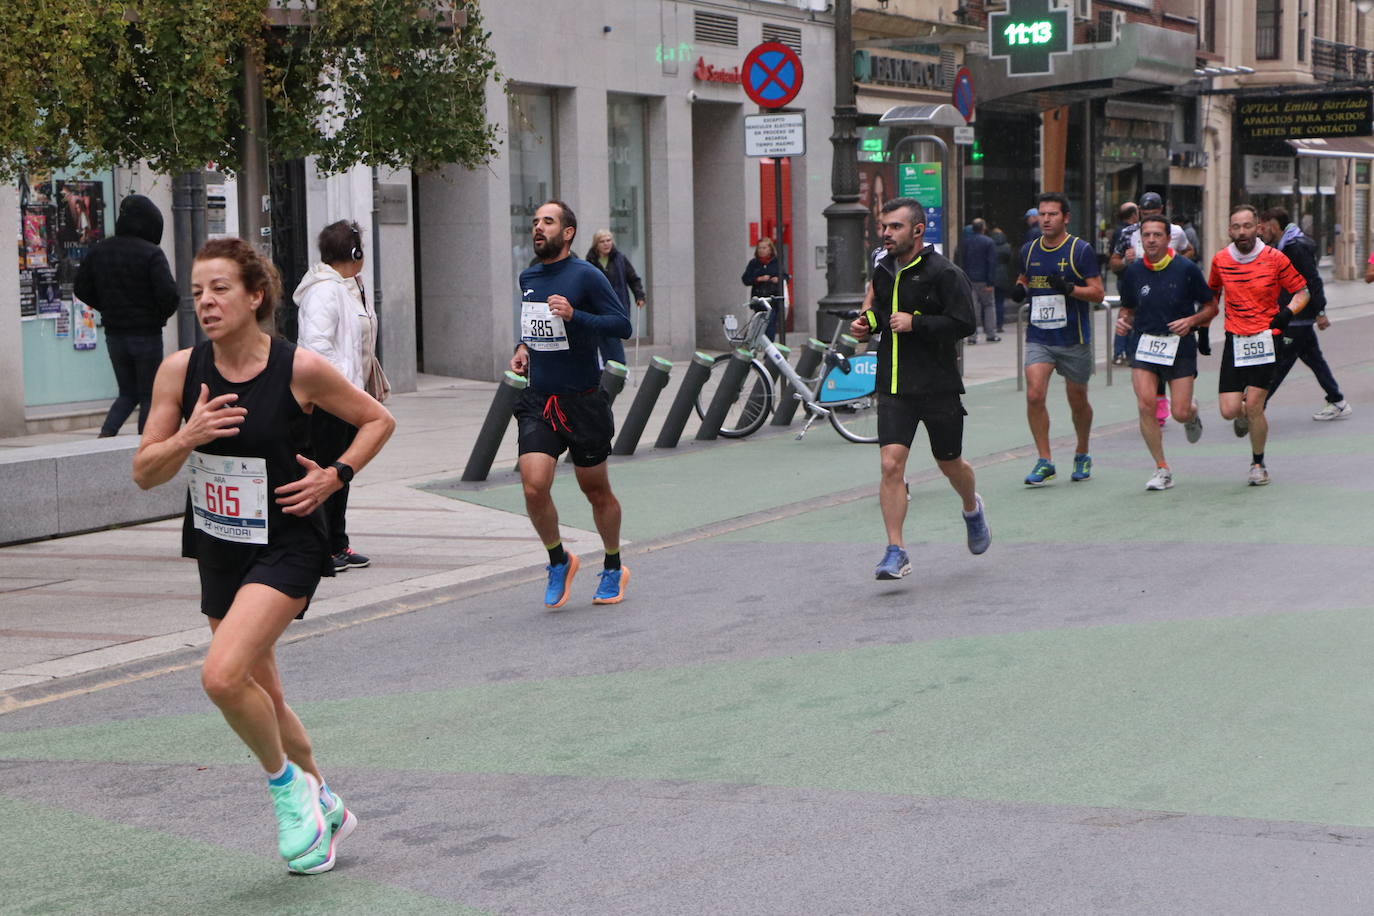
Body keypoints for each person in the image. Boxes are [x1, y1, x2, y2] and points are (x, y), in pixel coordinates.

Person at [131, 237, 395, 873]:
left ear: (255, 295)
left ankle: (287, 791)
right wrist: (188, 435)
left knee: (222, 676)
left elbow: (377, 420)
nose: (206, 302)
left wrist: (336, 475)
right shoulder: (180, 371)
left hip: (288, 542)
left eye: (220, 288)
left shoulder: (297, 368)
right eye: (197, 291)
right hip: (219, 543)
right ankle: (323, 798)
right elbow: (144, 472)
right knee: (263, 695)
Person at [848, 197, 989, 580]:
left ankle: (971, 508)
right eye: (884, 227)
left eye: (894, 227)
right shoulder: (883, 268)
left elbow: (964, 324)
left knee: (950, 463)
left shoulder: (945, 273)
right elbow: (880, 313)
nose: (886, 234)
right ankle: (896, 550)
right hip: (893, 384)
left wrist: (917, 323)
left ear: (917, 230)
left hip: (937, 385)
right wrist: (868, 324)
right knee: (891, 464)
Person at [511, 200, 634, 608]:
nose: (538, 228)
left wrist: (575, 314)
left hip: (583, 402)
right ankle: (558, 559)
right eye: (534, 222)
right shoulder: (528, 276)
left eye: (547, 221)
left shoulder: (587, 276)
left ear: (568, 233)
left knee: (595, 490)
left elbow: (621, 324)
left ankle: (614, 566)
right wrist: (523, 346)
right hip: (540, 400)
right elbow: (533, 323)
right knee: (533, 485)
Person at [294, 220, 387, 573]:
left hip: (346, 396)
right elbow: (317, 348)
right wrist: (341, 388)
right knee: (330, 470)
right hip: (330, 400)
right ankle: (323, 547)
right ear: (356, 253)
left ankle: (337, 543)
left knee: (342, 472)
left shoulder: (346, 287)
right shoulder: (324, 291)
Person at [1206, 204, 1310, 486]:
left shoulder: (1274, 258)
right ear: (1229, 230)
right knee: (1229, 410)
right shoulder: (1220, 261)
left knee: (1254, 404)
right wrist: (1202, 330)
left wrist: (1287, 313)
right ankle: (1243, 416)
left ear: (1258, 228)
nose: (1242, 232)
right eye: (1236, 227)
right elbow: (1211, 297)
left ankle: (1258, 464)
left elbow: (1302, 291)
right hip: (1235, 340)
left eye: (1247, 226)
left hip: (1266, 338)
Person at [1115, 216, 1218, 490]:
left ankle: (1192, 413)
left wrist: (1191, 321)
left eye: (1156, 235)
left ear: (1167, 238)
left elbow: (1211, 307)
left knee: (1180, 412)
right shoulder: (1133, 272)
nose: (1151, 240)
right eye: (1146, 235)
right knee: (1145, 404)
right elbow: (1127, 308)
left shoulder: (1186, 269)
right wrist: (1123, 321)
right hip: (1146, 344)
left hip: (1179, 346)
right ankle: (1162, 468)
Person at [1010, 192, 1105, 486]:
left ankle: (1082, 451)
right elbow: (1024, 278)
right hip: (1039, 335)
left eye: (1052, 214)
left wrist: (1070, 289)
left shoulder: (1080, 250)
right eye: (1042, 214)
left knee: (1077, 401)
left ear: (1065, 217)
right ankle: (1045, 460)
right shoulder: (1028, 250)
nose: (1046, 219)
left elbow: (1098, 293)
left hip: (1072, 337)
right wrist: (1019, 288)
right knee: (1034, 394)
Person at [73, 194, 178, 437]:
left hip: (115, 335)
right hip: (147, 335)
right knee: (149, 394)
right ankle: (145, 443)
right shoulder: (151, 253)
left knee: (127, 393)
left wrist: (107, 308)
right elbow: (169, 295)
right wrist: (157, 316)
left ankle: (106, 435)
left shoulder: (100, 250)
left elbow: (81, 288)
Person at [1256, 208, 1352, 421]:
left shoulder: (1295, 248)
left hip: (1299, 314)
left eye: (1264, 226)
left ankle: (1256, 406)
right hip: (1293, 313)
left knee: (1281, 360)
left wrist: (1320, 311)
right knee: (1313, 358)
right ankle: (1337, 400)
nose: (1262, 231)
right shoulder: (1283, 246)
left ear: (1274, 225)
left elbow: (1313, 280)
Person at [584, 229, 646, 367]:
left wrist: (639, 295)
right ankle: (610, 369)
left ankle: (618, 368)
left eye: (609, 240)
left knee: (613, 338)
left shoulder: (620, 259)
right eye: (602, 241)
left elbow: (633, 279)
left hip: (617, 307)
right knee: (602, 339)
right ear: (596, 244)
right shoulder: (590, 262)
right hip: (597, 309)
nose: (606, 244)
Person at [958, 218, 1000, 343]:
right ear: (983, 228)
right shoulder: (989, 242)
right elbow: (991, 263)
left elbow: (961, 260)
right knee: (988, 306)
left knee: (973, 307)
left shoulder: (965, 242)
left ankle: (972, 336)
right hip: (983, 279)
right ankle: (991, 334)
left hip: (969, 279)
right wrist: (990, 282)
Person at [1107, 202, 1139, 366]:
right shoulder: (1126, 232)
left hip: (1124, 277)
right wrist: (1126, 260)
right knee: (1127, 314)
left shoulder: (1119, 230)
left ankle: (1123, 351)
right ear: (1133, 215)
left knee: (1127, 314)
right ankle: (1122, 351)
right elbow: (1115, 259)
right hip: (1127, 278)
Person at [741, 237, 788, 338]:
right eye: (759, 248)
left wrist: (778, 279)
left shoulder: (776, 262)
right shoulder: (754, 263)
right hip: (759, 298)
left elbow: (786, 276)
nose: (761, 250)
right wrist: (759, 279)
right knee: (758, 323)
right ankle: (754, 343)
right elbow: (745, 279)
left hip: (773, 299)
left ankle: (768, 347)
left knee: (770, 323)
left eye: (764, 248)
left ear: (770, 249)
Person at [990, 225, 1012, 334]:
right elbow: (1009, 260)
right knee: (999, 302)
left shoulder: (989, 245)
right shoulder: (1007, 246)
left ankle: (989, 325)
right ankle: (999, 324)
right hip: (1003, 275)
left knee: (989, 303)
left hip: (992, 274)